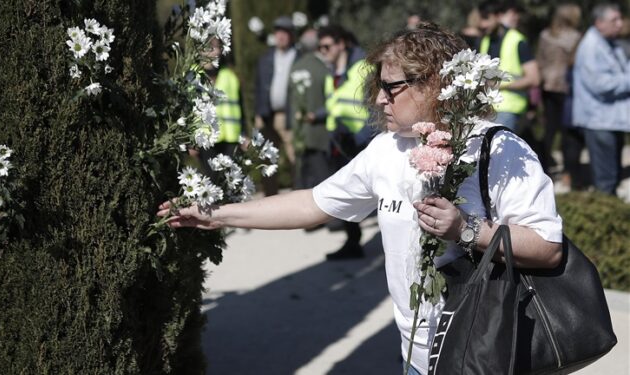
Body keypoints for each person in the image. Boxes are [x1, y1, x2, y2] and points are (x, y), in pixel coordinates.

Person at [159, 23, 563, 375]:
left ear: (435, 84)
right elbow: (311, 204)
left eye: (391, 87)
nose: (378, 99)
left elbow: (547, 249)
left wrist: (467, 229)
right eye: (378, 86)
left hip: (490, 354)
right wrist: (214, 215)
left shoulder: (499, 150)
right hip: (417, 357)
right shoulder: (387, 150)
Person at [311, 24, 372, 260]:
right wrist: (316, 115)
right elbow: (334, 104)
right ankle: (353, 242)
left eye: (326, 46)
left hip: (360, 142)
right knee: (347, 197)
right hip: (339, 142)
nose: (323, 50)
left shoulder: (362, 68)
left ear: (341, 44)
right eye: (320, 47)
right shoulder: (332, 72)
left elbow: (373, 106)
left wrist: (362, 138)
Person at [572, 4, 630, 195]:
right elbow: (601, 85)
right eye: (615, 20)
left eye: (620, 19)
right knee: (605, 181)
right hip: (599, 122)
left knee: (612, 177)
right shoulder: (591, 46)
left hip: (611, 120)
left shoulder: (609, 43)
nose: (620, 24)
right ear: (599, 23)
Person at [536, 4, 583, 185]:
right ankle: (568, 173)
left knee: (549, 129)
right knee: (567, 131)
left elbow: (540, 59)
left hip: (547, 84)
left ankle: (544, 168)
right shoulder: (575, 38)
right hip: (566, 86)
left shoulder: (545, 35)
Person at [477, 1, 540, 132]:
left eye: (486, 18)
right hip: (487, 108)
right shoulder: (484, 41)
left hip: (509, 108)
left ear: (498, 17)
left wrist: (500, 84)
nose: (482, 24)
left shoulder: (518, 41)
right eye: (481, 19)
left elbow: (534, 79)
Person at [254, 16, 299, 196]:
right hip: (267, 115)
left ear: (291, 36)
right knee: (267, 159)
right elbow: (257, 87)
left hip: (289, 115)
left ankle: (298, 199)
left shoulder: (298, 56)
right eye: (278, 32)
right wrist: (258, 113)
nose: (281, 36)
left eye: (285, 33)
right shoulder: (265, 58)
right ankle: (270, 199)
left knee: (294, 158)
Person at [288, 28, 332, 192]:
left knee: (302, 179)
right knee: (322, 180)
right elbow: (332, 99)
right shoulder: (322, 69)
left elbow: (289, 100)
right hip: (319, 133)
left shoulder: (295, 67)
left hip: (300, 132)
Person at [196, 38, 245, 178]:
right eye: (206, 48)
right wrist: (189, 142)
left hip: (230, 138)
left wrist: (244, 133)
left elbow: (240, 107)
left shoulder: (230, 76)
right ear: (198, 50)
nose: (211, 52)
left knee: (228, 181)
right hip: (205, 139)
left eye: (215, 47)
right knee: (211, 180)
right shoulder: (191, 76)